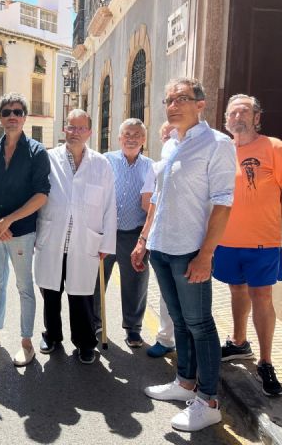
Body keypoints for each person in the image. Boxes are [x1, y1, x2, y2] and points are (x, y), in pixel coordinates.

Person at [131, 77, 236, 432]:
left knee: (200, 325)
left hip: (190, 250)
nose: (172, 105)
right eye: (168, 99)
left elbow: (223, 203)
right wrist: (144, 239)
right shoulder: (170, 144)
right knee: (179, 321)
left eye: (180, 99)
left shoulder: (217, 144)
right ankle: (185, 382)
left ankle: (208, 401)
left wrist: (206, 255)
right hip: (162, 247)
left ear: (201, 104)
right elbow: (158, 198)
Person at [214, 94, 282, 396]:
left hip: (263, 242)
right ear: (225, 120)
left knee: (262, 296)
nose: (237, 117)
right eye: (232, 113)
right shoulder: (221, 149)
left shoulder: (275, 147)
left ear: (257, 117)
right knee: (236, 290)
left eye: (244, 112)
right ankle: (239, 343)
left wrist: (271, 225)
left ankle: (265, 361)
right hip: (225, 241)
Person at [0, 92, 51, 367]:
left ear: (25, 117)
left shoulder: (37, 152)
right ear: (0, 117)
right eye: (6, 112)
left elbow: (42, 195)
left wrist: (10, 221)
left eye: (17, 111)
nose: (12, 116)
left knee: (24, 286)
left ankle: (26, 344)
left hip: (22, 231)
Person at [35, 109, 116, 364]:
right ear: (64, 129)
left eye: (81, 128)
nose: (75, 132)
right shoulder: (48, 159)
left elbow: (109, 205)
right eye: (71, 127)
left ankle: (85, 342)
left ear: (89, 132)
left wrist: (106, 242)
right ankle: (52, 335)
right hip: (53, 236)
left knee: (82, 295)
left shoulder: (101, 164)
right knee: (51, 291)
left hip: (85, 240)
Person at [94, 118, 154, 348]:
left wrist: (145, 238)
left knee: (135, 283)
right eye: (127, 134)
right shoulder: (105, 161)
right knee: (97, 280)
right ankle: (95, 323)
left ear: (143, 140)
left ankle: (133, 329)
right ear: (119, 138)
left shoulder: (150, 166)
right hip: (106, 232)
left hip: (135, 234)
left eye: (136, 135)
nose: (131, 138)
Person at [146, 121, 176, 358]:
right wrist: (143, 239)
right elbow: (152, 204)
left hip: (189, 243)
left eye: (172, 132)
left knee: (191, 301)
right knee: (166, 294)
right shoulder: (160, 166)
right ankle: (166, 338)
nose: (168, 137)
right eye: (164, 134)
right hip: (161, 241)